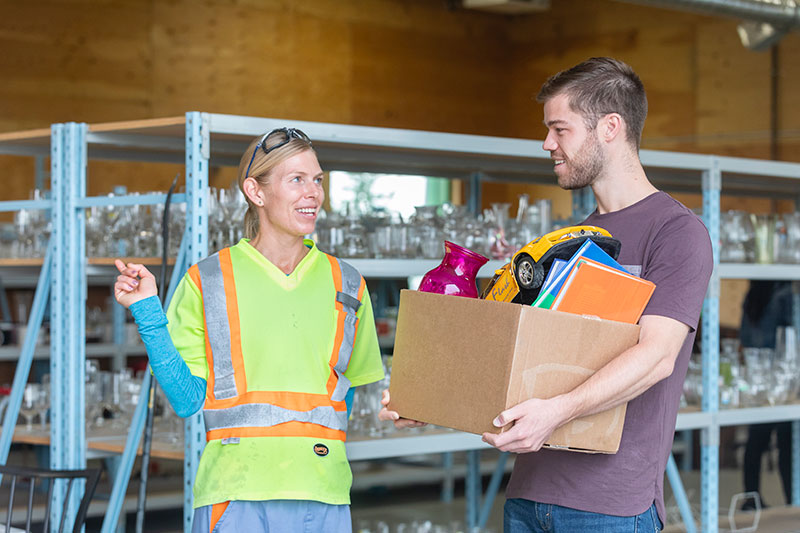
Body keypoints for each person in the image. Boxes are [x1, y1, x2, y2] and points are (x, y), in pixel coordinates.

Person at [381, 57, 713, 532]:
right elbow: (517, 359)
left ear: (610, 128)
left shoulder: (676, 233)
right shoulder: (569, 242)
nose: (547, 144)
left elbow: (657, 357)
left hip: (610, 506)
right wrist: (426, 396)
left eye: (560, 129)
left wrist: (556, 412)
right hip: (530, 495)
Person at [114, 128, 385, 533]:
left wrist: (411, 405)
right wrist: (147, 312)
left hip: (324, 494)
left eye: (318, 180)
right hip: (236, 495)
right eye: (296, 180)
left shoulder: (347, 285)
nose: (313, 193)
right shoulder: (208, 280)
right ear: (255, 192)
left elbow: (371, 395)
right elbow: (187, 401)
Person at [739, 280, 793, 510]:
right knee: (787, 444)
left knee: (756, 442)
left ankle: (752, 498)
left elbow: (744, 337)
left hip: (757, 376)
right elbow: (792, 333)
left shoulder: (753, 295)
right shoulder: (786, 293)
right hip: (782, 377)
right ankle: (793, 500)